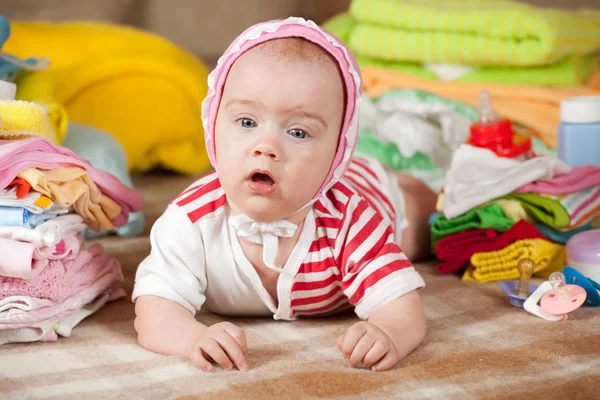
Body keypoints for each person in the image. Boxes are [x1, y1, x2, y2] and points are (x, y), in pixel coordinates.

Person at [132, 17, 436, 373]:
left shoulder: (352, 220)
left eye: (298, 132)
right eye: (246, 122)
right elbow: (154, 308)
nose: (267, 147)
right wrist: (190, 337)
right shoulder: (190, 221)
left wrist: (387, 330)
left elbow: (403, 308)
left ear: (338, 150)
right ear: (213, 124)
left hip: (375, 192)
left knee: (429, 225)